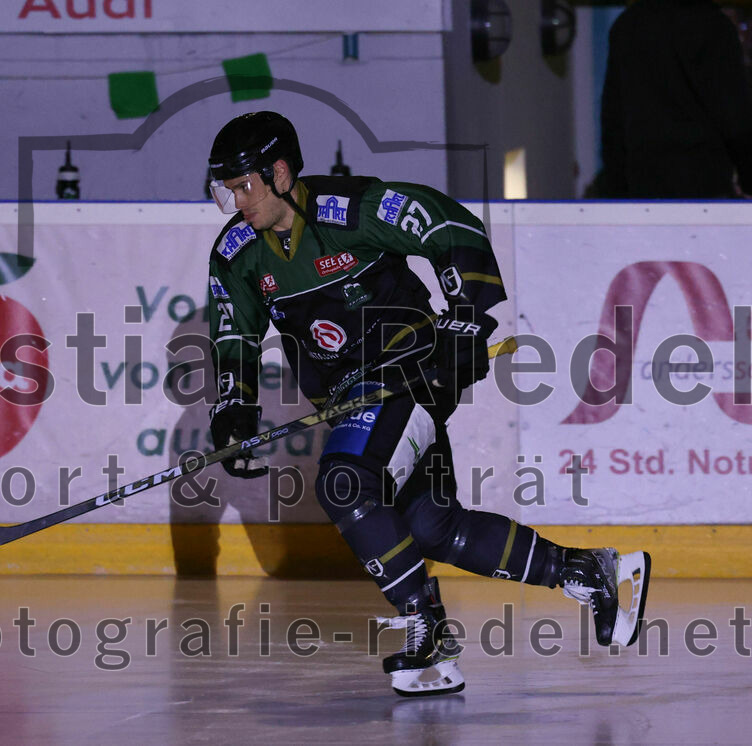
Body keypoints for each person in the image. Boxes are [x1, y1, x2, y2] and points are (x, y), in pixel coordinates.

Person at [204, 111, 651, 697]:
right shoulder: (239, 253)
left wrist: (467, 320)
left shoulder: (350, 209)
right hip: (353, 399)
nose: (236, 202)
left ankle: (427, 628)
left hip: (407, 374)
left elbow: (449, 226)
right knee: (432, 527)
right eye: (225, 191)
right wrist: (234, 405)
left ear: (281, 172)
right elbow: (234, 332)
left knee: (345, 480)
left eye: (243, 186)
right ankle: (590, 572)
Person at [601, 0, 752, 198]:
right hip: (704, 186)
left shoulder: (626, 26)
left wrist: (618, 194)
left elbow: (613, 123)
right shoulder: (713, 26)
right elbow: (735, 118)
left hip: (642, 187)